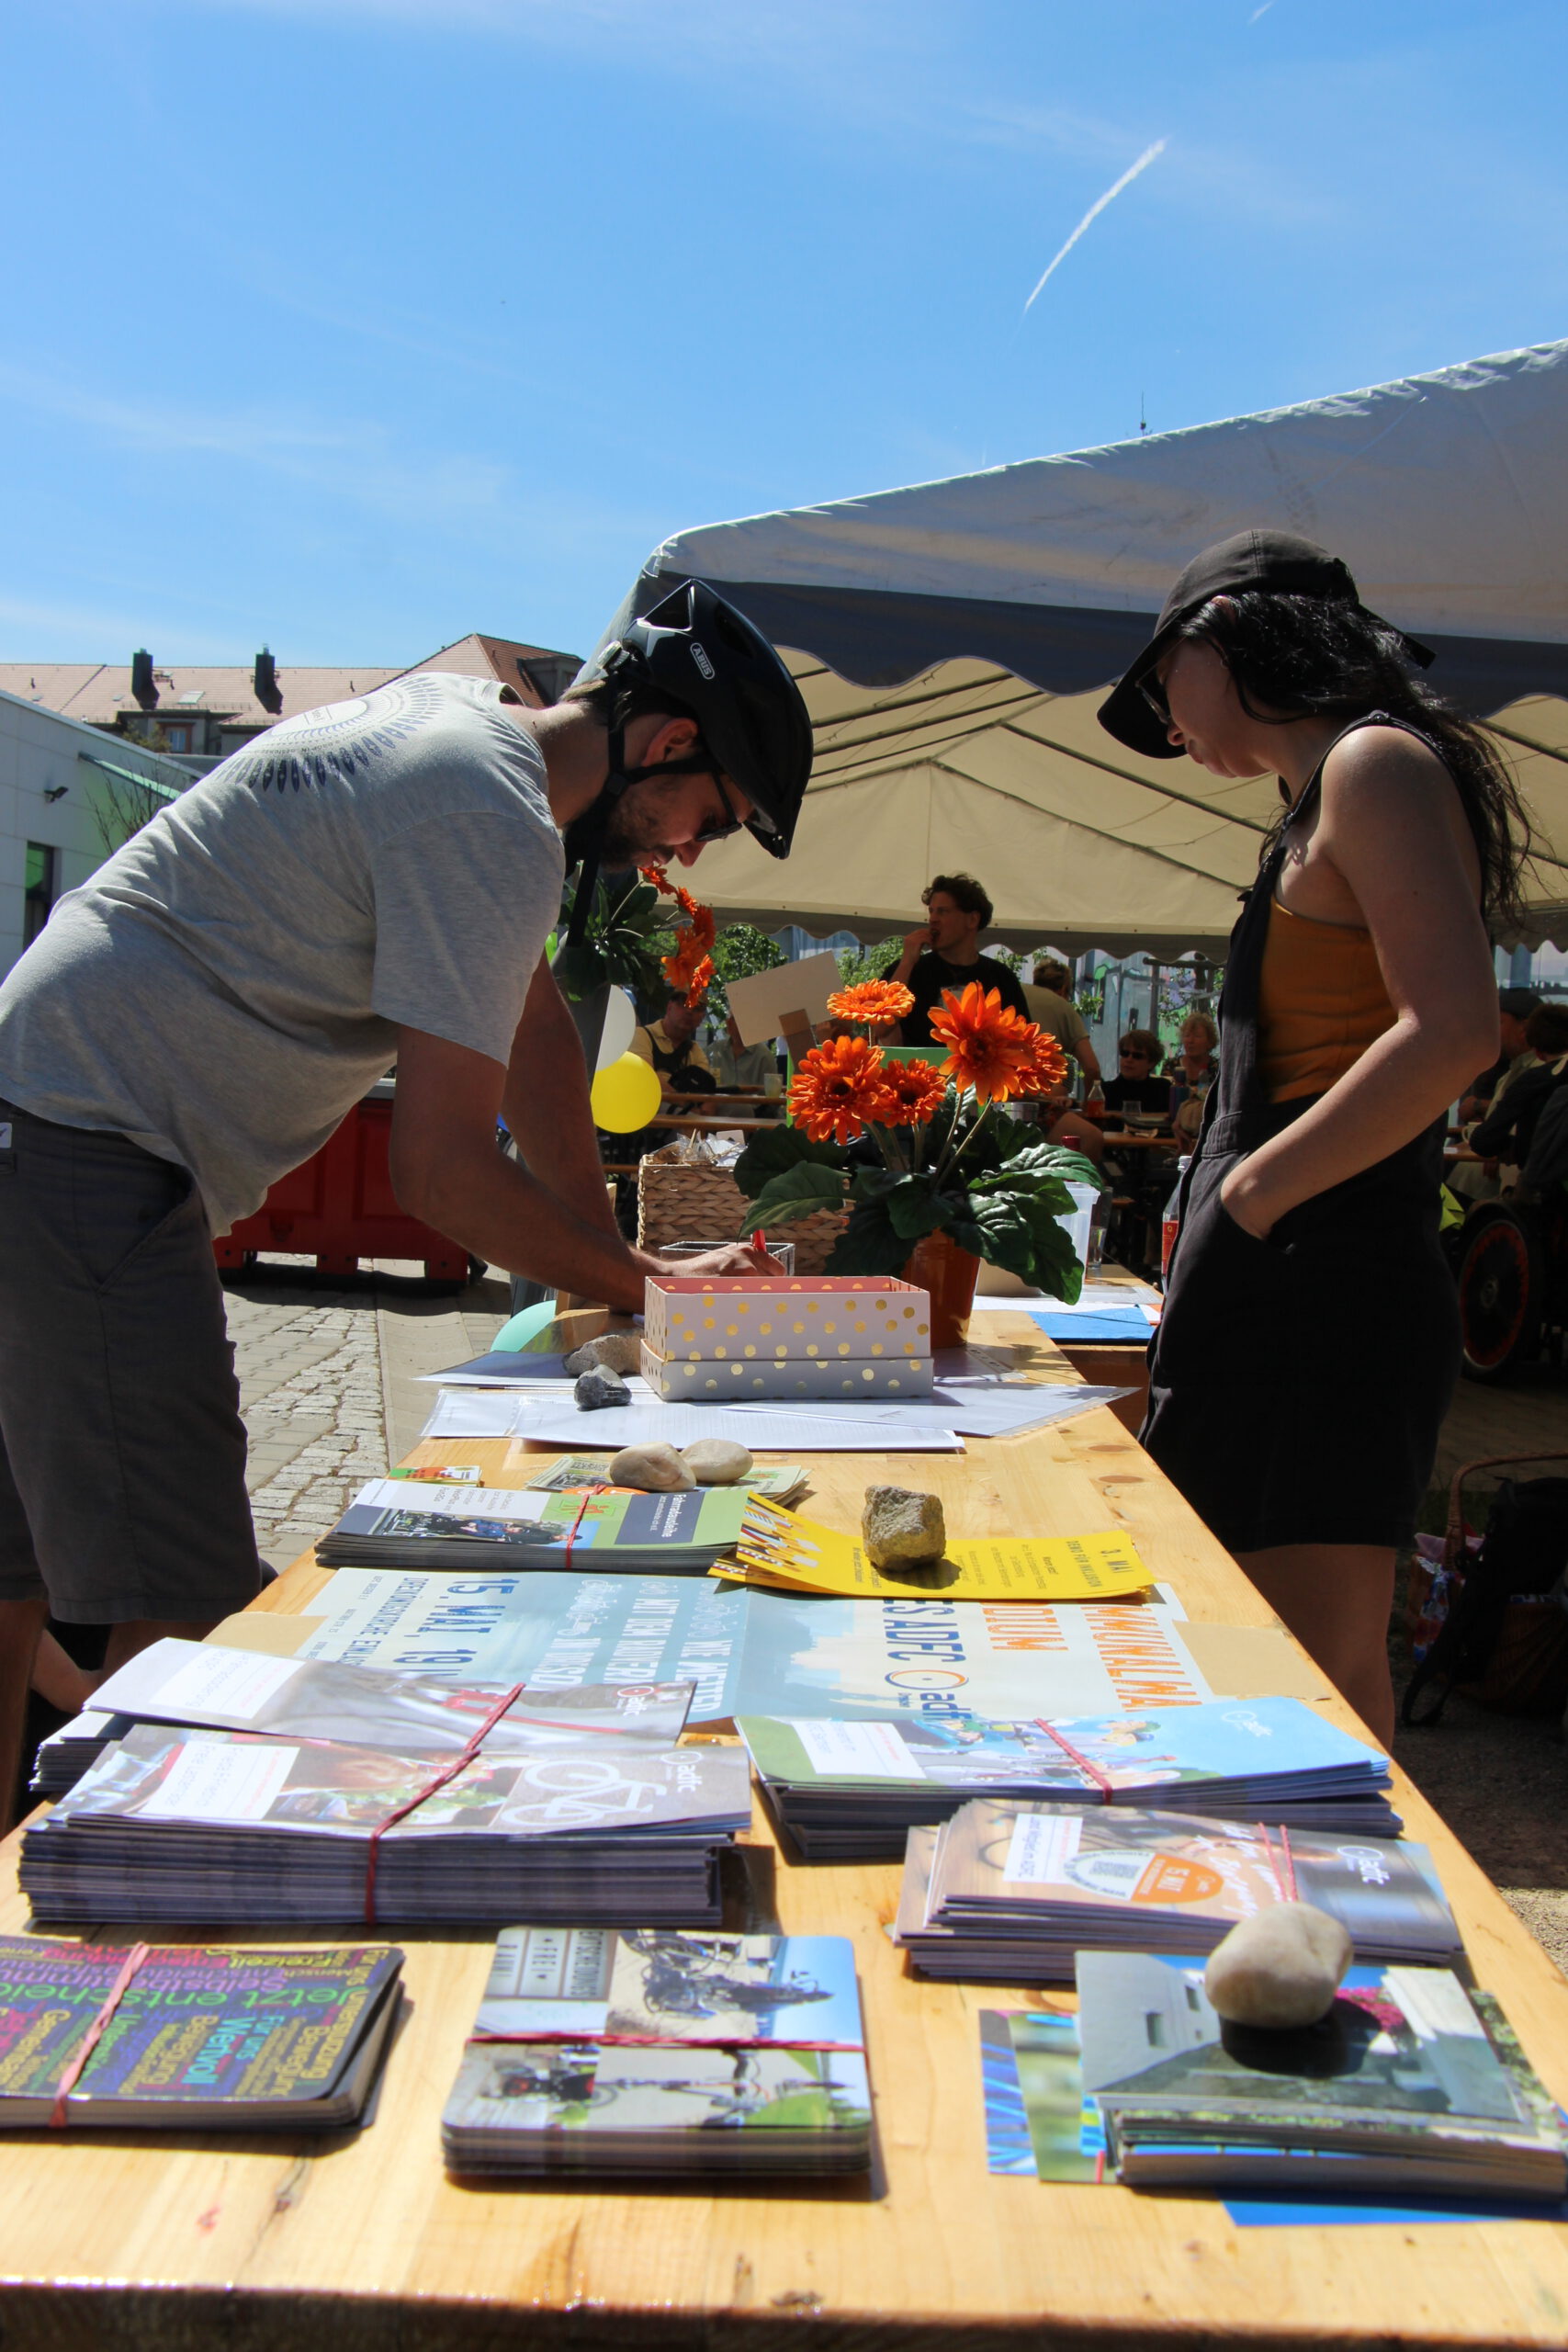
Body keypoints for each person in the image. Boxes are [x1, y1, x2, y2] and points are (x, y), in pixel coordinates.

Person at [0, 577, 813, 1820]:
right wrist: (656, 1292)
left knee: (14, 1579)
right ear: (666, 741)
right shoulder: (488, 812)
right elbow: (437, 1171)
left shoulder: (460, 738)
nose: (688, 851)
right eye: (710, 814)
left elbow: (531, 1032)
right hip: (87, 1152)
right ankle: (133, 1902)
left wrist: (607, 1272)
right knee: (184, 1613)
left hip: (36, 1121)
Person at [1099, 527, 1529, 1746]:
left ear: (1228, 630)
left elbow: (1452, 1030)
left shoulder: (1373, 763)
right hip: (1282, 1286)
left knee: (1308, 1691)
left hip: (1323, 1291)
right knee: (1243, 1669)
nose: (1162, 720)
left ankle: (1327, 1882)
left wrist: (1248, 1200)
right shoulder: (1314, 802)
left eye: (1160, 680)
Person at [888, 873, 1029, 1045]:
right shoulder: (909, 970)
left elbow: (1021, 1041)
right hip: (920, 1063)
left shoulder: (1001, 977)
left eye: (943, 912)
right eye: (931, 911)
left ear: (972, 920)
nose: (932, 919)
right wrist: (907, 963)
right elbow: (880, 1028)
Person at [1449, 986, 1540, 1203]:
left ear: (1524, 1028)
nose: (1493, 1032)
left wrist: (1498, 1147)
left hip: (1508, 1185)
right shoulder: (1509, 1073)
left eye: (1500, 1023)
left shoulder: (1541, 1075)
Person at [1467, 1002, 1568, 1183]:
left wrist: (1517, 1145)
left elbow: (1483, 1141)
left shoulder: (1533, 1081)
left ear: (1537, 1052)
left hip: (1548, 1191)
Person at [1021, 960, 1102, 1087]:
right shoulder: (1063, 1007)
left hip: (1001, 1091)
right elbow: (1092, 1069)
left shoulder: (1017, 992)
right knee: (1066, 1069)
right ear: (1063, 989)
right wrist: (1089, 1099)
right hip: (1037, 1092)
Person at [630, 991, 716, 1092]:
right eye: (684, 1004)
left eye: (696, 1008)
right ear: (669, 1007)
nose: (689, 1011)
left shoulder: (695, 1051)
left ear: (702, 1017)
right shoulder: (641, 1035)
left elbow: (704, 1090)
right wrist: (683, 1100)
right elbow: (646, 1076)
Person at [1168, 1012, 1219, 1145]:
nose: (1190, 1041)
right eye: (1187, 1036)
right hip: (1169, 1126)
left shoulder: (1217, 1068)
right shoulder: (1172, 1065)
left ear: (1209, 1042)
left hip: (1204, 1129)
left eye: (1197, 1036)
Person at [1101, 1029, 1172, 1118]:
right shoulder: (1105, 1091)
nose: (1129, 1059)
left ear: (1151, 1063)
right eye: (1125, 1053)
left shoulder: (1163, 1089)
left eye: (1137, 1056)